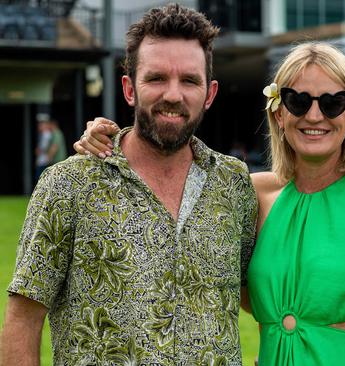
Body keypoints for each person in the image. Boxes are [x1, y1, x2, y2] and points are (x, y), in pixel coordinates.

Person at [73, 42, 345, 365]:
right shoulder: (249, 192)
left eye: (332, 103)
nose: (314, 116)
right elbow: (165, 170)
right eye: (298, 101)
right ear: (279, 114)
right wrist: (110, 139)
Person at [1, 4, 257, 365]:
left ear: (210, 93)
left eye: (189, 80)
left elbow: (257, 297)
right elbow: (23, 319)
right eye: (156, 78)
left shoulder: (234, 184)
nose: (173, 94)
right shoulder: (70, 184)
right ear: (129, 88)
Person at [34, 116, 67, 181]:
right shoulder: (54, 133)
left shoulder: (56, 133)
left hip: (57, 160)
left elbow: (54, 147)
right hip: (56, 160)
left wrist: (48, 158)